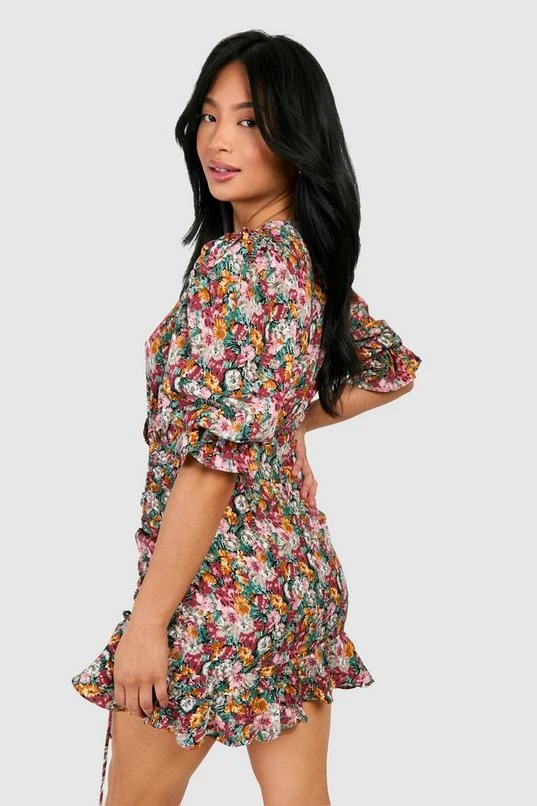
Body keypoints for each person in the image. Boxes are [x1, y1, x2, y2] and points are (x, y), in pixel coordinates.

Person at [71, 30, 422, 806]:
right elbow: (392, 371)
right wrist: (283, 424)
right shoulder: (303, 257)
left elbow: (209, 469)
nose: (218, 141)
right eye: (209, 115)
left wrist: (148, 626)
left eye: (250, 121)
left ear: (299, 138)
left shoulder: (239, 267)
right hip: (294, 583)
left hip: (213, 593)